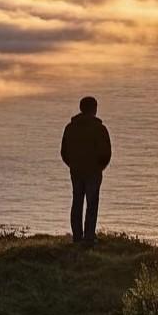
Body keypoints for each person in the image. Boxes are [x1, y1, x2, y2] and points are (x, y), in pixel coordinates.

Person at [60, 96, 112, 246]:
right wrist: (100, 167)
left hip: (76, 170)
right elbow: (106, 152)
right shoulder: (99, 128)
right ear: (94, 109)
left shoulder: (70, 127)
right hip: (93, 171)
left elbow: (64, 152)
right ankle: (89, 237)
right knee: (92, 203)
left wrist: (72, 164)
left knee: (77, 201)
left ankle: (77, 236)